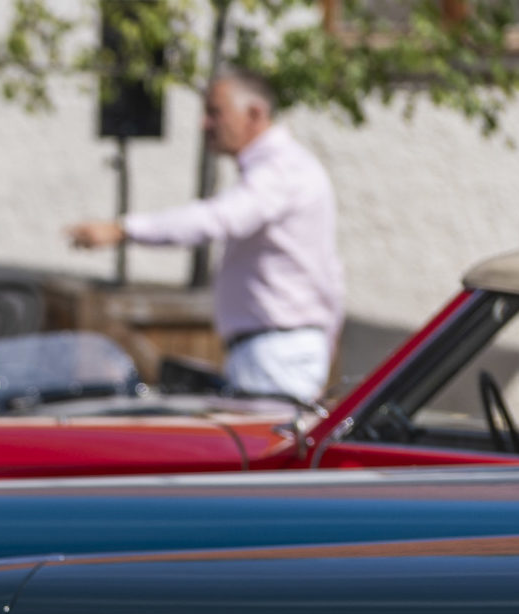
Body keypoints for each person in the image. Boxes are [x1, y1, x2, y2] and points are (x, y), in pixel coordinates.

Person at [67, 70, 342, 403]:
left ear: (254, 113)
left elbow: (216, 219)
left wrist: (124, 229)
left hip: (276, 352)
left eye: (215, 112)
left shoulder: (282, 170)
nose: (204, 124)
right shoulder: (283, 167)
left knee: (261, 451)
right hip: (272, 350)